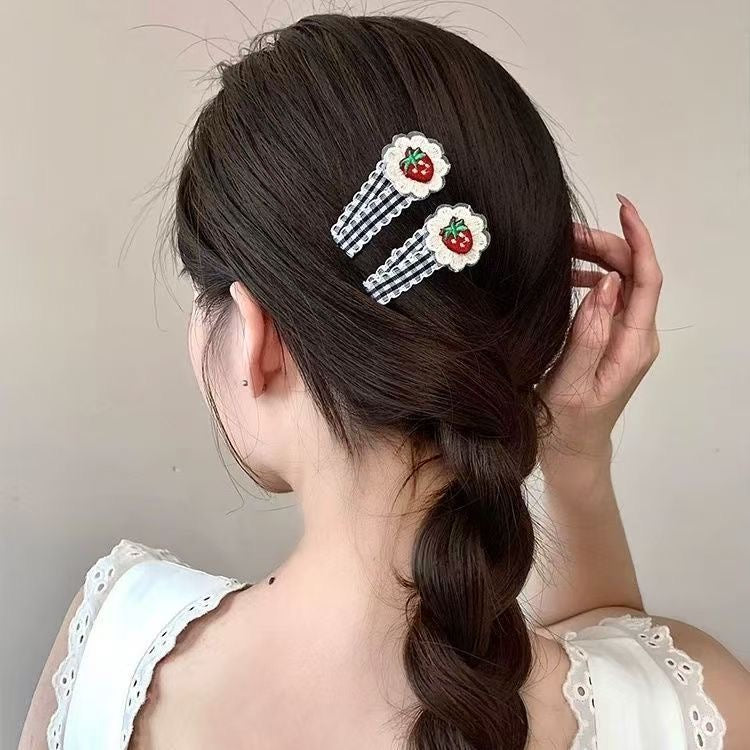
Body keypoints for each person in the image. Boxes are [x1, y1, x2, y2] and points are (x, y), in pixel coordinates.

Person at [18, 13, 749, 750]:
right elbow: (621, 673)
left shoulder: (111, 652)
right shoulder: (695, 706)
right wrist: (577, 457)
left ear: (256, 339)